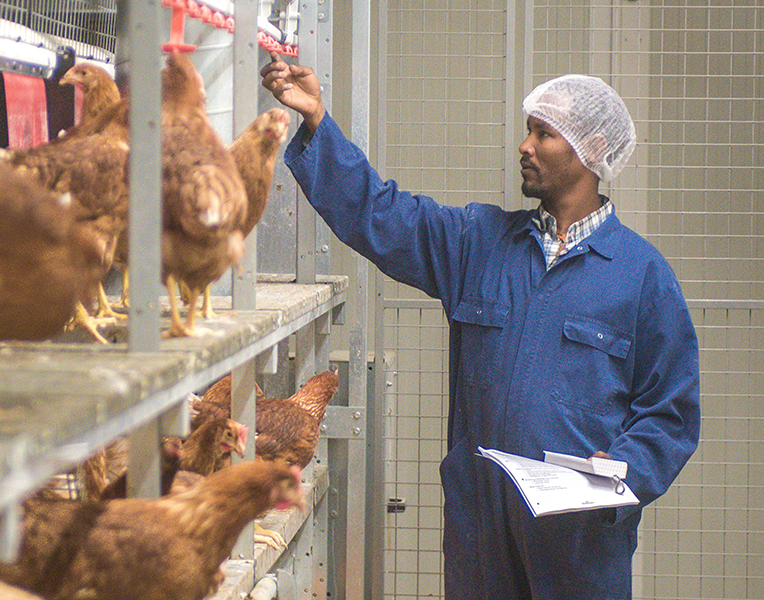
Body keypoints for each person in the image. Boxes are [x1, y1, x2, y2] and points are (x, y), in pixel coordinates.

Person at [261, 57, 700, 600]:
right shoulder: (478, 243)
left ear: (591, 150)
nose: (525, 145)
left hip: (577, 540)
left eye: (545, 134)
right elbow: (379, 214)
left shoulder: (640, 276)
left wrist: (625, 469)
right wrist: (316, 123)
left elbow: (671, 412)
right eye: (528, 130)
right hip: (481, 527)